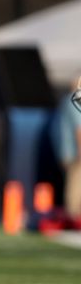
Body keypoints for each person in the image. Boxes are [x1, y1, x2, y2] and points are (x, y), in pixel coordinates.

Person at [57, 78, 81, 221]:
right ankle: (74, 220)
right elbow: (79, 129)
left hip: (68, 153)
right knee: (76, 189)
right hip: (75, 155)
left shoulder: (67, 101)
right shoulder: (76, 101)